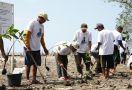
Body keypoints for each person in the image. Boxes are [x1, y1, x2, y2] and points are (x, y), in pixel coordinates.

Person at [23, 12, 49, 84]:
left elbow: (42, 38)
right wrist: (28, 47)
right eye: (44, 19)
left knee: (36, 64)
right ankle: (28, 79)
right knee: (28, 64)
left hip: (37, 48)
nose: (45, 21)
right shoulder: (32, 23)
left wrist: (44, 48)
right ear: (40, 17)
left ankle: (34, 79)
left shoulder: (42, 26)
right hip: (29, 48)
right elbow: (26, 36)